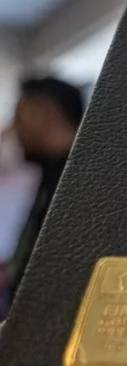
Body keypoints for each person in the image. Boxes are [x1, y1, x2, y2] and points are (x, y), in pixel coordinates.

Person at [1, 77, 84, 315]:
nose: (13, 128)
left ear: (42, 113)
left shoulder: (75, 179)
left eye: (19, 116)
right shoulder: (55, 174)